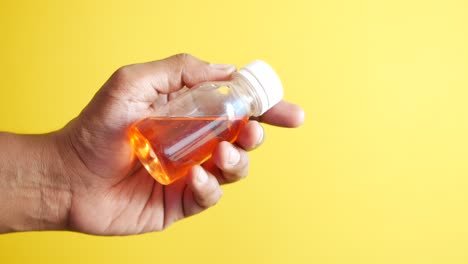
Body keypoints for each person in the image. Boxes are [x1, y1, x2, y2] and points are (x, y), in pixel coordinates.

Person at [0, 54, 304, 235]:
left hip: (158, 167)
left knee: (226, 151)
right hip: (141, 143)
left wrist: (68, 187)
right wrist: (68, 174)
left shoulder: (236, 119)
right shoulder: (215, 89)